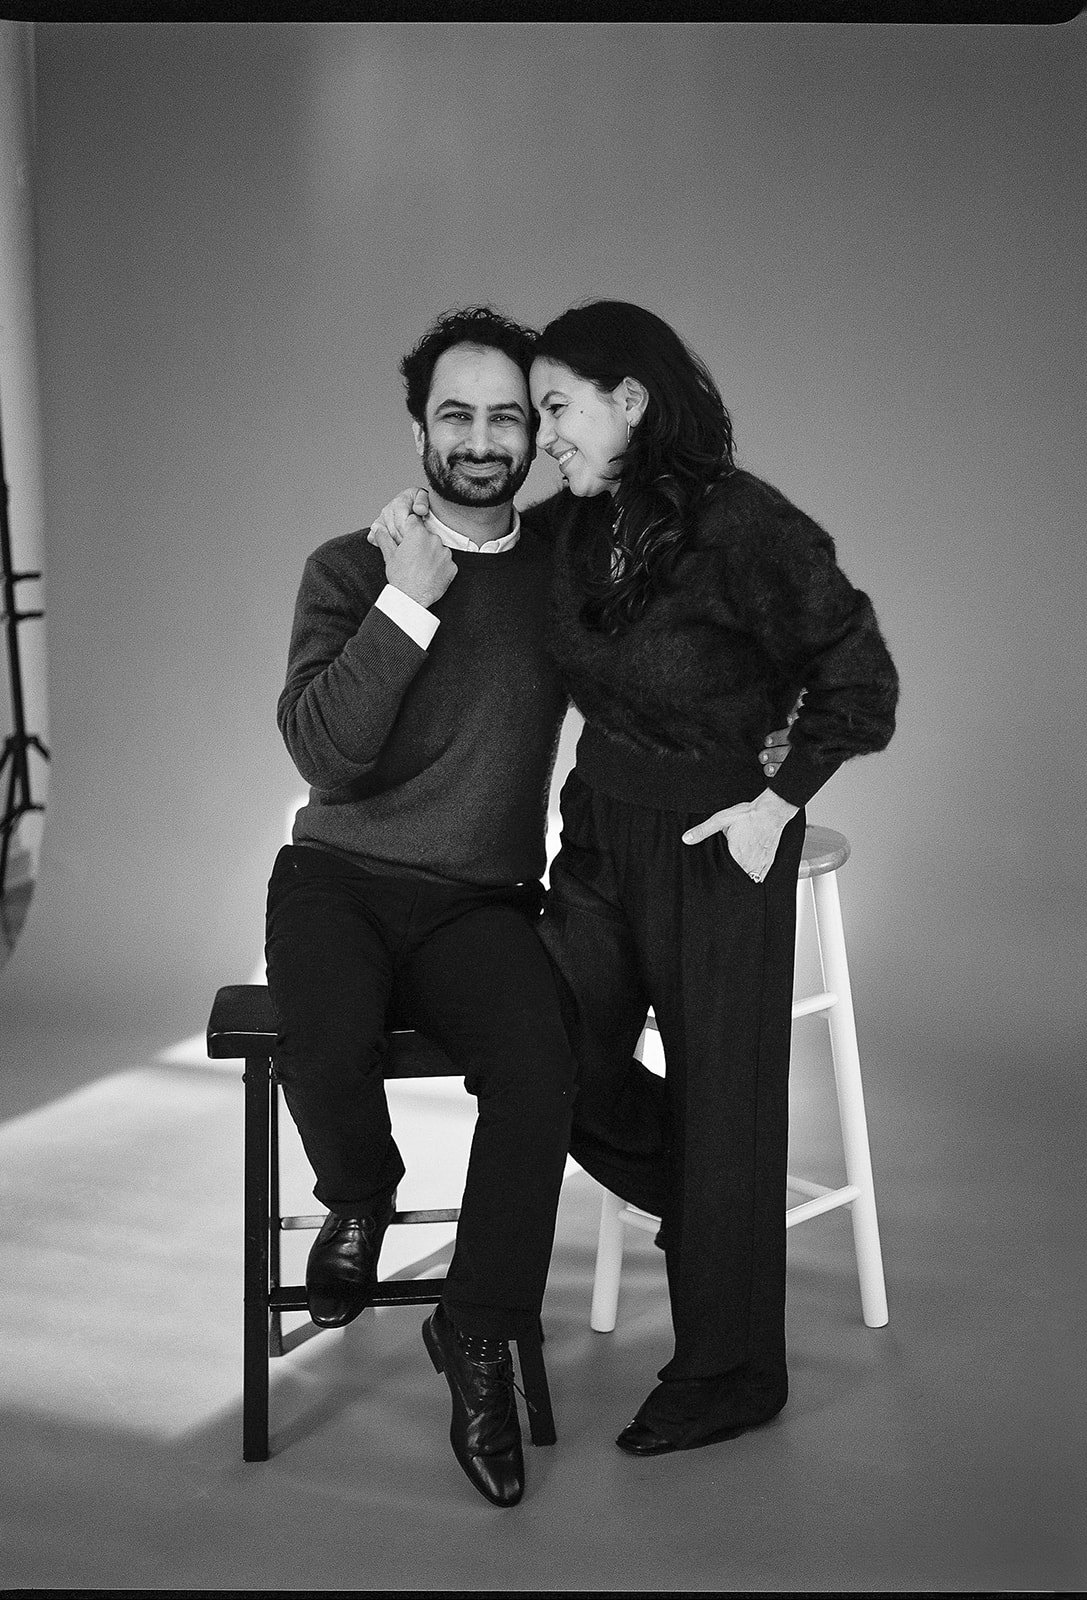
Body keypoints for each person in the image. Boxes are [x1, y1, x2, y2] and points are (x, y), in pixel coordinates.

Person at [373, 298, 897, 1459]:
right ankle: (712, 1198)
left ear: (631, 401)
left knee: (726, 1092)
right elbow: (484, 555)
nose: (543, 432)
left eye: (556, 407)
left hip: (718, 838)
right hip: (598, 827)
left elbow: (862, 678)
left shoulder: (748, 526)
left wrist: (779, 799)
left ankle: (730, 1375)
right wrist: (406, 540)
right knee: (551, 1047)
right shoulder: (572, 529)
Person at [265, 306, 577, 1509]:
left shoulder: (560, 576)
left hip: (477, 900)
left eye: (509, 413)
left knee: (539, 1064)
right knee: (324, 1044)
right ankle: (361, 1192)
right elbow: (326, 757)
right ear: (419, 430)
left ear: (533, 432)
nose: (484, 436)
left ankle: (479, 1331)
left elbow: (662, 647)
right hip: (339, 877)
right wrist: (407, 602)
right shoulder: (351, 566)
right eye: (459, 413)